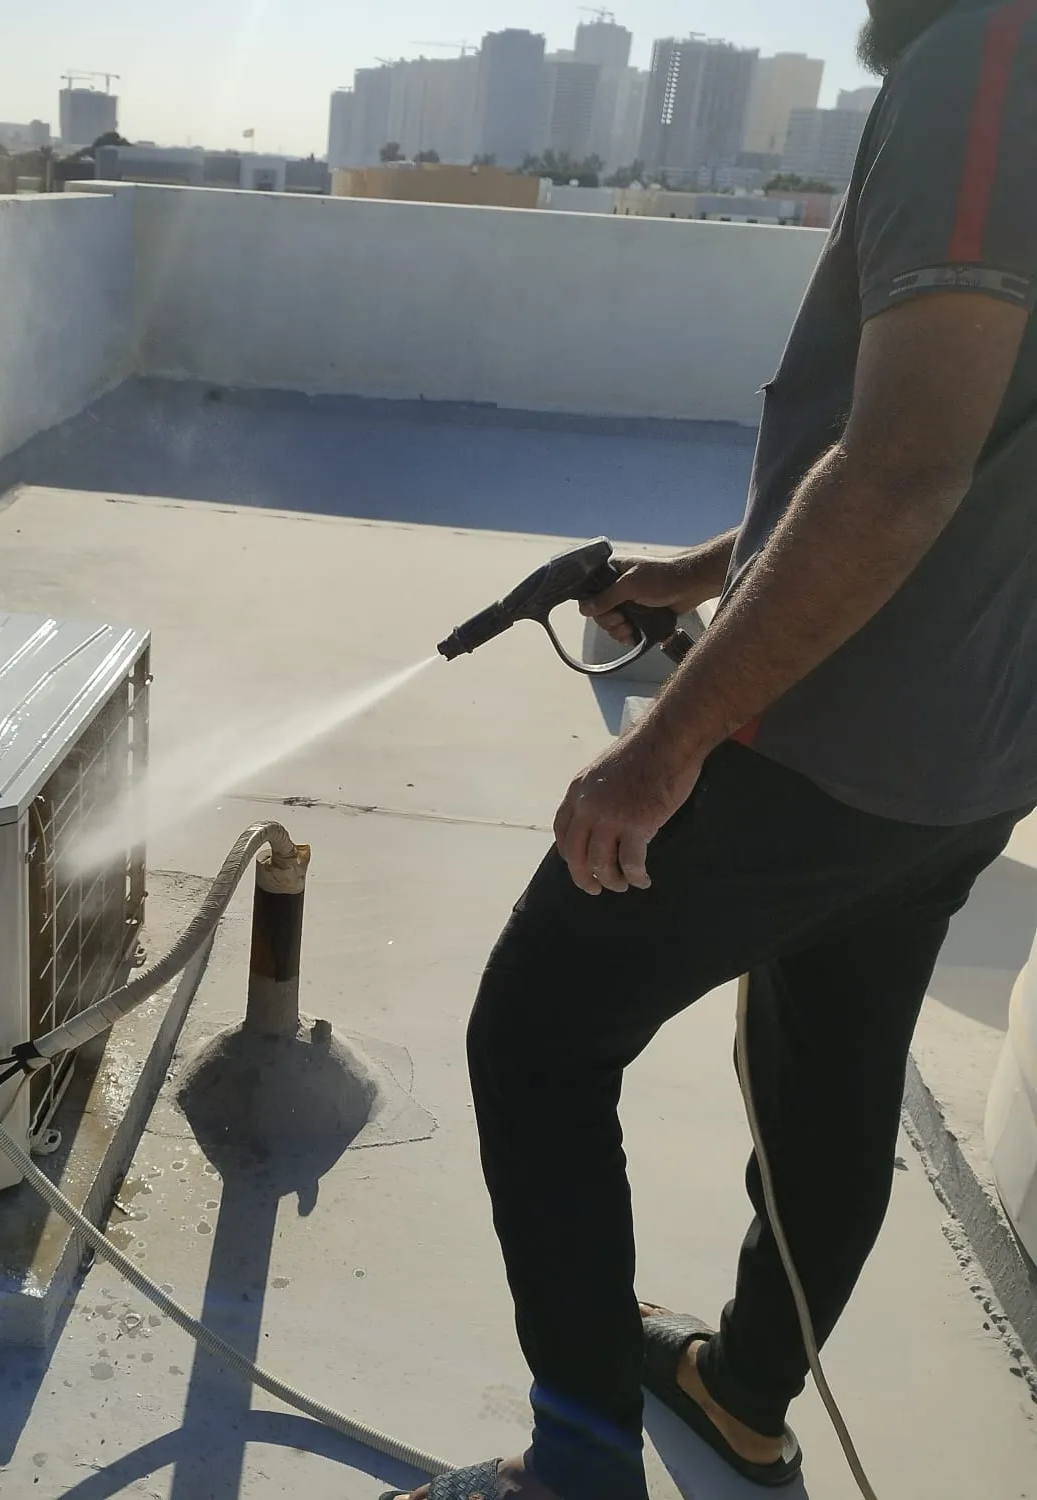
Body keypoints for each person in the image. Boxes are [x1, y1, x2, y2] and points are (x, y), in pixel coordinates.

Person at [386, 2, 1037, 1497]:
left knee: (539, 1036)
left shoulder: (988, 63)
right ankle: (743, 1396)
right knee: (834, 1077)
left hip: (828, 739)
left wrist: (665, 745)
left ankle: (576, 1469)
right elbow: (945, 452)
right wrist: (693, 578)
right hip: (977, 755)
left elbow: (904, 469)